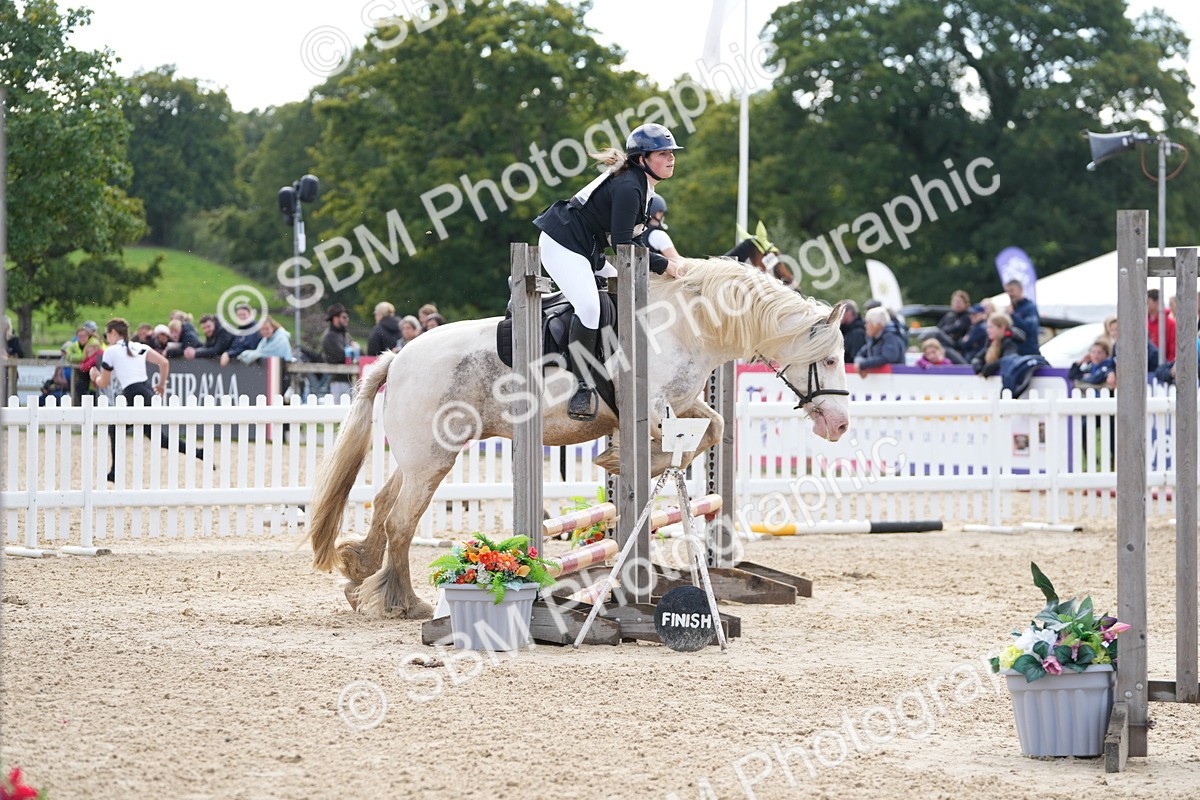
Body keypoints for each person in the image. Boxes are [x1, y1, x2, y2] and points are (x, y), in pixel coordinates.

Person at [533, 122, 685, 421]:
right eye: (662, 153)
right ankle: (581, 386)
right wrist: (666, 265)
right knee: (589, 308)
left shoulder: (643, 188)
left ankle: (606, 359)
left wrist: (666, 267)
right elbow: (625, 245)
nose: (671, 158)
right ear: (642, 159)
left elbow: (636, 238)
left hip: (587, 249)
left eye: (672, 153)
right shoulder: (630, 186)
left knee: (622, 292)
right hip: (563, 243)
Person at [88, 318, 205, 483]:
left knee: (115, 429)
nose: (107, 337)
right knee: (159, 439)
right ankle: (198, 453)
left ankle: (116, 472)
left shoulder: (111, 351)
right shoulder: (140, 347)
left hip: (132, 393)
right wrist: (162, 385)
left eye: (107, 334)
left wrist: (95, 376)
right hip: (147, 392)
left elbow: (104, 382)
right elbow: (164, 363)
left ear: (114, 333)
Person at [320, 303, 357, 402]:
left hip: (348, 379)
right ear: (335, 319)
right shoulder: (330, 336)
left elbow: (358, 352)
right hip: (339, 380)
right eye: (344, 317)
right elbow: (340, 356)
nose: (347, 319)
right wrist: (352, 351)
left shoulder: (343, 334)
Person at [854, 307, 907, 375]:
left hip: (895, 380)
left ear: (878, 325)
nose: (865, 326)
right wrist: (860, 364)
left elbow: (888, 358)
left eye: (868, 323)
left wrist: (863, 365)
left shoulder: (891, 337)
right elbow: (860, 354)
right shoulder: (873, 339)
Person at [63, 325, 105, 402]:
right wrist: (80, 358)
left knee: (86, 391)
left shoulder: (93, 343)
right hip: (87, 372)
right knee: (80, 389)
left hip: (94, 371)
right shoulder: (77, 344)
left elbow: (87, 358)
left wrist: (76, 358)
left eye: (84, 335)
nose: (82, 338)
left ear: (88, 335)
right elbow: (67, 352)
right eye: (79, 336)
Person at [972, 312, 1019, 376]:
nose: (987, 330)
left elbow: (1008, 359)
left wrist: (990, 367)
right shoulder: (991, 342)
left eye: (991, 327)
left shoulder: (1011, 342)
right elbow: (978, 357)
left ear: (1002, 327)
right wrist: (977, 365)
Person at [1004, 279, 1041, 356]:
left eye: (1012, 290)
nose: (1010, 294)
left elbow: (1029, 328)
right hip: (1014, 354)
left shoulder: (1030, 307)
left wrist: (1013, 315)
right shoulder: (1011, 309)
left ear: (1020, 289)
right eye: (1007, 291)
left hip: (1029, 354)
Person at [644, 194, 682, 262]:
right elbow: (678, 261)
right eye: (662, 214)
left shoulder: (634, 233)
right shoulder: (658, 235)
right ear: (658, 214)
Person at [1147, 289, 1176, 364]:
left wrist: (1167, 367)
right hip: (1145, 366)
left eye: (1148, 302)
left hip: (1162, 367)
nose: (1145, 304)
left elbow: (1173, 349)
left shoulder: (1171, 324)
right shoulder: (1142, 323)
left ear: (1157, 302)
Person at [839, 300, 867, 366]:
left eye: (840, 312)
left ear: (849, 313)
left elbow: (855, 359)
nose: (837, 316)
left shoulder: (857, 333)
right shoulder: (843, 331)